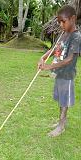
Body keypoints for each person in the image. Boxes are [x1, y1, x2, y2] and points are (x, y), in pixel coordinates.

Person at [38, 5, 81, 137]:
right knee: (61, 99)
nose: (61, 25)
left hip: (67, 74)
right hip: (59, 73)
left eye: (63, 21)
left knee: (64, 101)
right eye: (59, 22)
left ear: (73, 19)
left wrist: (48, 67)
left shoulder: (76, 37)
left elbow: (69, 59)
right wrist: (43, 57)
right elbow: (54, 48)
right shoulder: (63, 33)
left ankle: (61, 126)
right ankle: (60, 122)